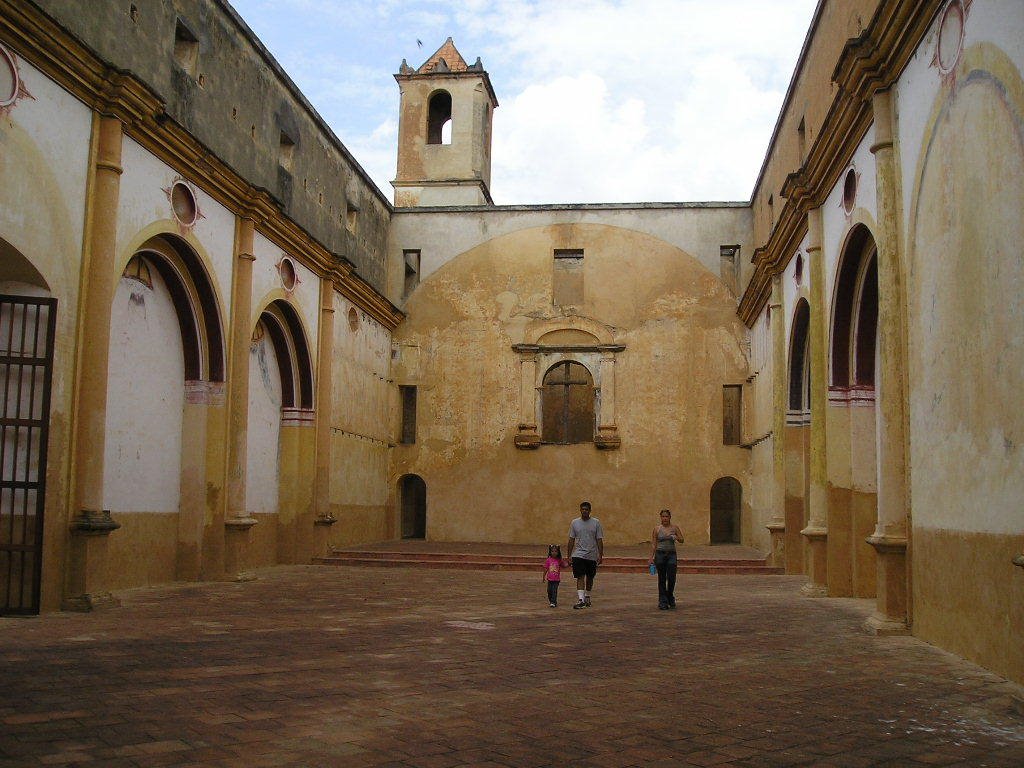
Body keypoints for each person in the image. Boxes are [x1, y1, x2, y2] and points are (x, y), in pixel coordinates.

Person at [566, 501, 603, 609]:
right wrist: (569, 555)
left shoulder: (596, 523)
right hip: (578, 554)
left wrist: (600, 555)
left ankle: (587, 596)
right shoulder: (574, 523)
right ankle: (581, 599)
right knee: (580, 576)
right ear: (580, 510)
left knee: (590, 577)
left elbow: (599, 539)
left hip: (591, 554)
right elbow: (571, 539)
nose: (584, 511)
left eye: (586, 509)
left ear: (590, 511)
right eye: (582, 509)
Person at [649, 509, 682, 609]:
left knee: (672, 577)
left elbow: (682, 539)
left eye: (666, 516)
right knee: (662, 578)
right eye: (663, 516)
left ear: (670, 517)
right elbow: (654, 543)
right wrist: (651, 557)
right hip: (660, 554)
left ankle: (670, 595)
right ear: (660, 517)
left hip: (671, 554)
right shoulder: (657, 529)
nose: (665, 518)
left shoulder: (674, 528)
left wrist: (675, 537)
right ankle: (662, 601)